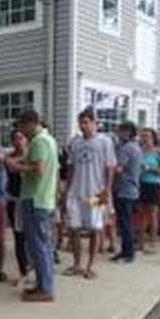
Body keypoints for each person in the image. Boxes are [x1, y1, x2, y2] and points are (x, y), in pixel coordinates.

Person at [63, 108, 116, 279]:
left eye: (86, 122)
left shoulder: (104, 142)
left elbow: (110, 167)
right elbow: (70, 167)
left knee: (95, 229)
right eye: (81, 122)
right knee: (73, 228)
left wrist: (107, 190)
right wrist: (66, 189)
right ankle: (77, 263)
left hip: (96, 193)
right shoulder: (75, 142)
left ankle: (90, 266)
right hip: (76, 192)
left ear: (94, 123)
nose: (83, 126)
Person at [14, 110, 59, 302]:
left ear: (31, 123)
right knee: (44, 245)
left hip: (36, 199)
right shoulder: (49, 139)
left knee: (38, 246)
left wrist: (16, 167)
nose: (22, 132)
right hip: (45, 198)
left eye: (22, 127)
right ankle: (43, 283)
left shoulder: (39, 141)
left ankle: (45, 288)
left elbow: (38, 169)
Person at [111, 121, 142, 263]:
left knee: (125, 223)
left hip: (124, 190)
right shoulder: (135, 147)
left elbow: (118, 168)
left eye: (120, 131)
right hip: (132, 189)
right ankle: (125, 251)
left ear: (128, 132)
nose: (117, 133)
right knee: (126, 222)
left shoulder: (126, 149)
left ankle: (128, 253)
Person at [4, 129, 31, 281]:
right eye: (15, 138)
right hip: (14, 200)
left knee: (31, 236)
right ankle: (23, 270)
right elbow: (10, 166)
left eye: (21, 137)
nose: (18, 141)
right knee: (18, 236)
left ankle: (33, 267)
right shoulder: (10, 157)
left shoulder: (31, 155)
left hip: (29, 200)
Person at [137, 128, 160, 254]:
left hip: (153, 184)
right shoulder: (139, 151)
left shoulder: (158, 152)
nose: (145, 139)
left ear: (153, 138)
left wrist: (150, 168)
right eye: (143, 136)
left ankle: (152, 241)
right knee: (142, 213)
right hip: (141, 183)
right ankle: (140, 242)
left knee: (153, 213)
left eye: (147, 136)